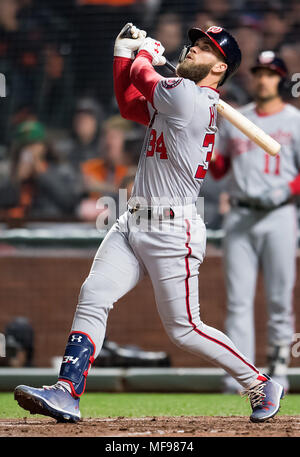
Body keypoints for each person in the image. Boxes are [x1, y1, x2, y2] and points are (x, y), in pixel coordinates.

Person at [14, 23, 284, 424]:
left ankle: (260, 381)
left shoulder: (189, 97)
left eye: (206, 49)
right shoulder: (181, 95)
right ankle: (67, 391)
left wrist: (140, 55)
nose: (192, 49)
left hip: (174, 231)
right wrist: (124, 53)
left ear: (220, 68)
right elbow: (128, 104)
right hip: (132, 220)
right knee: (94, 294)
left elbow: (143, 77)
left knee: (184, 329)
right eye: (193, 43)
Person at [209, 51, 300, 394]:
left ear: (280, 79)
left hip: (280, 215)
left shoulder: (294, 120)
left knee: (280, 301)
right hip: (241, 215)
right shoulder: (236, 118)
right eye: (259, 73)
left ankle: (278, 372)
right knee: (238, 303)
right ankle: (242, 378)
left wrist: (288, 189)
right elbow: (219, 169)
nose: (263, 79)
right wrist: (206, 142)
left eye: (270, 73)